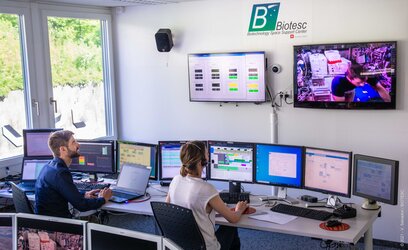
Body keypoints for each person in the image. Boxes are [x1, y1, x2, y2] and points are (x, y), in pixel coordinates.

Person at [166, 141, 249, 250]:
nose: (209, 155)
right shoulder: (207, 188)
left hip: (181, 245)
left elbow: (167, 207)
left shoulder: (175, 180)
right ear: (202, 161)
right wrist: (239, 209)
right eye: (207, 153)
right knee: (231, 227)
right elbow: (233, 218)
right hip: (206, 247)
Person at [35, 130, 112, 218]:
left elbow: (66, 192)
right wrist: (103, 199)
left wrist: (84, 194)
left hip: (46, 223)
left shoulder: (49, 166)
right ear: (63, 149)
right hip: (56, 227)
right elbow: (81, 206)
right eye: (73, 142)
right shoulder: (61, 173)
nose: (78, 145)